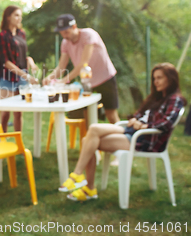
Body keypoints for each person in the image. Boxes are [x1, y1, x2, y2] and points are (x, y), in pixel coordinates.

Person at [59, 63, 186, 201]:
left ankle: (84, 183)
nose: (156, 82)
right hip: (132, 131)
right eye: (154, 78)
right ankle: (81, 180)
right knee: (92, 132)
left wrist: (144, 126)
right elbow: (138, 115)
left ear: (171, 79)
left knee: (87, 140)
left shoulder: (175, 99)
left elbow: (167, 123)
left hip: (145, 139)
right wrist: (134, 120)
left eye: (159, 78)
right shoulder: (156, 97)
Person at [43, 13, 120, 124]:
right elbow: (61, 67)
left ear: (74, 26)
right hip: (87, 82)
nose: (64, 36)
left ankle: (122, 140)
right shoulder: (65, 42)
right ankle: (90, 140)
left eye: (66, 32)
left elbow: (83, 64)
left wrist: (63, 81)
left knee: (111, 115)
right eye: (61, 33)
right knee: (87, 115)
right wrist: (49, 78)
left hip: (105, 79)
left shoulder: (89, 35)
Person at [0, 5, 39, 132]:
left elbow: (22, 55)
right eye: (16, 15)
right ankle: (2, 142)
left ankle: (18, 143)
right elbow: (6, 62)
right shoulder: (3, 36)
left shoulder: (22, 34)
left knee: (18, 112)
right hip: (8, 77)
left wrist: (30, 61)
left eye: (20, 15)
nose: (19, 18)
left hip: (21, 77)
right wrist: (26, 76)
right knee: (5, 112)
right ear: (8, 17)